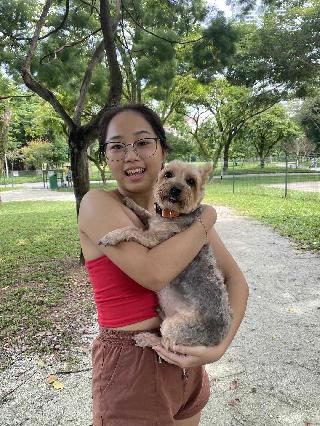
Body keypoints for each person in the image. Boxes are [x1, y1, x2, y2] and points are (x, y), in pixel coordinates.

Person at [78, 104, 249, 426]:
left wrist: (219, 347)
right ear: (106, 157)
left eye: (143, 142)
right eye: (116, 146)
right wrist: (208, 217)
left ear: (163, 151)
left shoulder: (184, 220)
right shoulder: (97, 203)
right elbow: (154, 274)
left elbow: (236, 279)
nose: (130, 155)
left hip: (187, 360)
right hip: (133, 365)